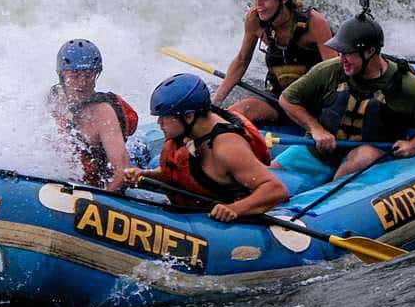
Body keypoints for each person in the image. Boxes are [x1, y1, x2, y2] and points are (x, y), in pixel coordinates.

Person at [274, 10, 415, 185]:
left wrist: (414, 144)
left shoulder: (403, 83)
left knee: (363, 156)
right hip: (324, 147)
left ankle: (332, 192)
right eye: (341, 53)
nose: (343, 60)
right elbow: (287, 99)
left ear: (370, 52)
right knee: (273, 172)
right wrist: (316, 129)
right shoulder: (329, 70)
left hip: (370, 151)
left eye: (349, 53)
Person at [123, 73, 289, 222]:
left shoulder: (227, 148)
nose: (159, 123)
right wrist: (145, 174)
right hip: (197, 204)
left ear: (189, 116)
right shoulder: (191, 132)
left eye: (164, 118)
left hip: (230, 222)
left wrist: (234, 209)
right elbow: (183, 174)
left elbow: (276, 190)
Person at [212, 0, 337, 123]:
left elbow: (333, 71)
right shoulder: (254, 20)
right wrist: (215, 103)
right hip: (278, 99)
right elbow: (242, 60)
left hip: (313, 103)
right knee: (237, 112)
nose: (259, 4)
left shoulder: (315, 23)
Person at [48, 39, 137, 191]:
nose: (82, 83)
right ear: (62, 75)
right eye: (75, 75)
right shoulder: (53, 99)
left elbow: (122, 171)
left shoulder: (103, 113)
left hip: (96, 188)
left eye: (89, 75)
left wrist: (101, 203)